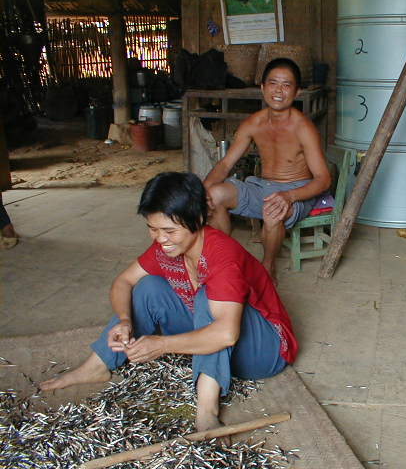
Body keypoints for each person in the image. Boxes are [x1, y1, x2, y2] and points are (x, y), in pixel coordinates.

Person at [40, 172, 298, 432]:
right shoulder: (167, 248)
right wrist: (125, 320)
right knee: (149, 286)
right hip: (222, 337)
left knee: (206, 296)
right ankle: (97, 365)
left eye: (169, 231)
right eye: (153, 229)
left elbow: (226, 334)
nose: (161, 239)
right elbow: (123, 282)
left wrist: (162, 344)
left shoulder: (222, 256)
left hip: (265, 352)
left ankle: (207, 411)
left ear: (198, 219)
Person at [204, 58, 331, 281]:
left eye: (286, 85)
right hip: (262, 187)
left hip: (297, 190)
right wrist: (203, 190)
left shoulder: (304, 128)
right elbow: (225, 164)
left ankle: (268, 267)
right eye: (273, 83)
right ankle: (224, 261)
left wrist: (289, 196)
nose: (278, 91)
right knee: (214, 195)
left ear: (297, 92)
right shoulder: (253, 123)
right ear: (262, 88)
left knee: (273, 212)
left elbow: (323, 179)